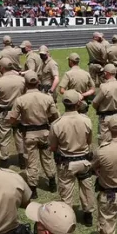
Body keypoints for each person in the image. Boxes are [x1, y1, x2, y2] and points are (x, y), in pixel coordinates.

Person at [8, 70, 60, 198]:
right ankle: (52, 182)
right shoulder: (47, 98)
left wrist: (19, 124)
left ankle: (33, 189)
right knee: (47, 158)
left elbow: (12, 119)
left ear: (25, 84)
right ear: (38, 83)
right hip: (45, 133)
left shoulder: (20, 100)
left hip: (29, 134)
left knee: (32, 161)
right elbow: (55, 116)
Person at [49, 90, 96, 226]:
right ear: (78, 103)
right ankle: (88, 215)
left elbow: (52, 147)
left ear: (64, 104)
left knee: (66, 191)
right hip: (84, 161)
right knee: (86, 188)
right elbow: (89, 141)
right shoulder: (86, 121)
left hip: (66, 163)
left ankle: (66, 218)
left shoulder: (57, 124)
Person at [0, 58, 26, 168]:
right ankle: (22, 160)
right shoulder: (22, 80)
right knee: (20, 136)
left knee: (4, 138)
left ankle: (5, 162)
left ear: (2, 68)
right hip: (19, 112)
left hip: (4, 113)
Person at [92, 64, 117, 143]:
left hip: (105, 118)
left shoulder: (104, 87)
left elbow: (95, 103)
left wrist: (98, 108)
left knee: (104, 142)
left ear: (106, 73)